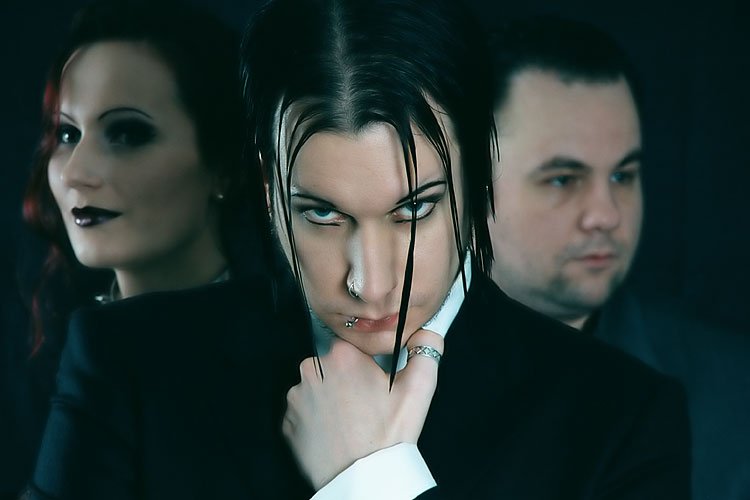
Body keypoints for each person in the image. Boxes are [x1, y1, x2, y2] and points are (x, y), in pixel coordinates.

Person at [29, 0, 690, 498]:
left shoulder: (620, 419)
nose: (370, 284)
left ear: (477, 179)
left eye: (414, 211)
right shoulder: (127, 366)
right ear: (268, 189)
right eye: (321, 213)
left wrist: (373, 481)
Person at [3, 0, 262, 497]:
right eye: (67, 133)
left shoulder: (294, 359)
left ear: (224, 165)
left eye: (127, 133)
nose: (75, 171)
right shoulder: (49, 351)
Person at [486, 16, 750, 500]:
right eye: (563, 179)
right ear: (467, 185)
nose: (606, 215)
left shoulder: (736, 396)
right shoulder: (376, 377)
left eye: (622, 176)